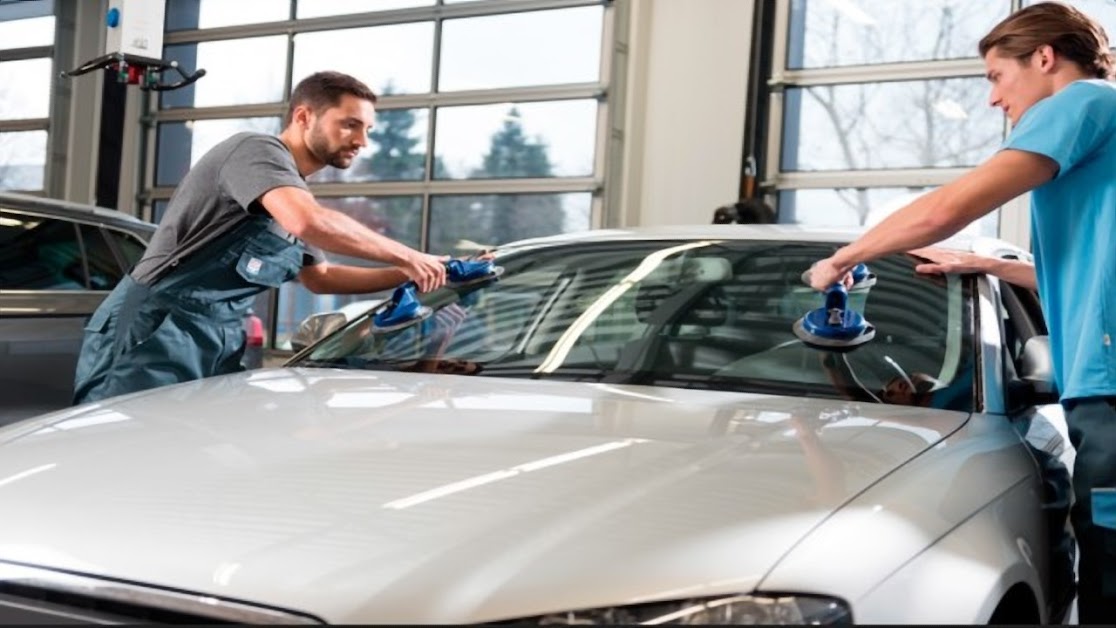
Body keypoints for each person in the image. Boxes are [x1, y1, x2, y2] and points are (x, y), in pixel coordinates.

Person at [808, 2, 1116, 620]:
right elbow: (1094, 269)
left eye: (997, 77)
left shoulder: (1082, 103)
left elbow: (947, 209)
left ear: (1045, 58)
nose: (993, 99)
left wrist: (843, 259)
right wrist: (1000, 267)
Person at [73, 70, 448, 405]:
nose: (362, 140)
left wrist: (408, 271)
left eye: (367, 129)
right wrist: (409, 254)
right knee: (115, 455)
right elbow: (307, 222)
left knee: (189, 463)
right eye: (350, 124)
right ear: (304, 116)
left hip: (218, 339)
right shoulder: (257, 152)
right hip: (155, 330)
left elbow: (320, 278)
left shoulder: (289, 192)